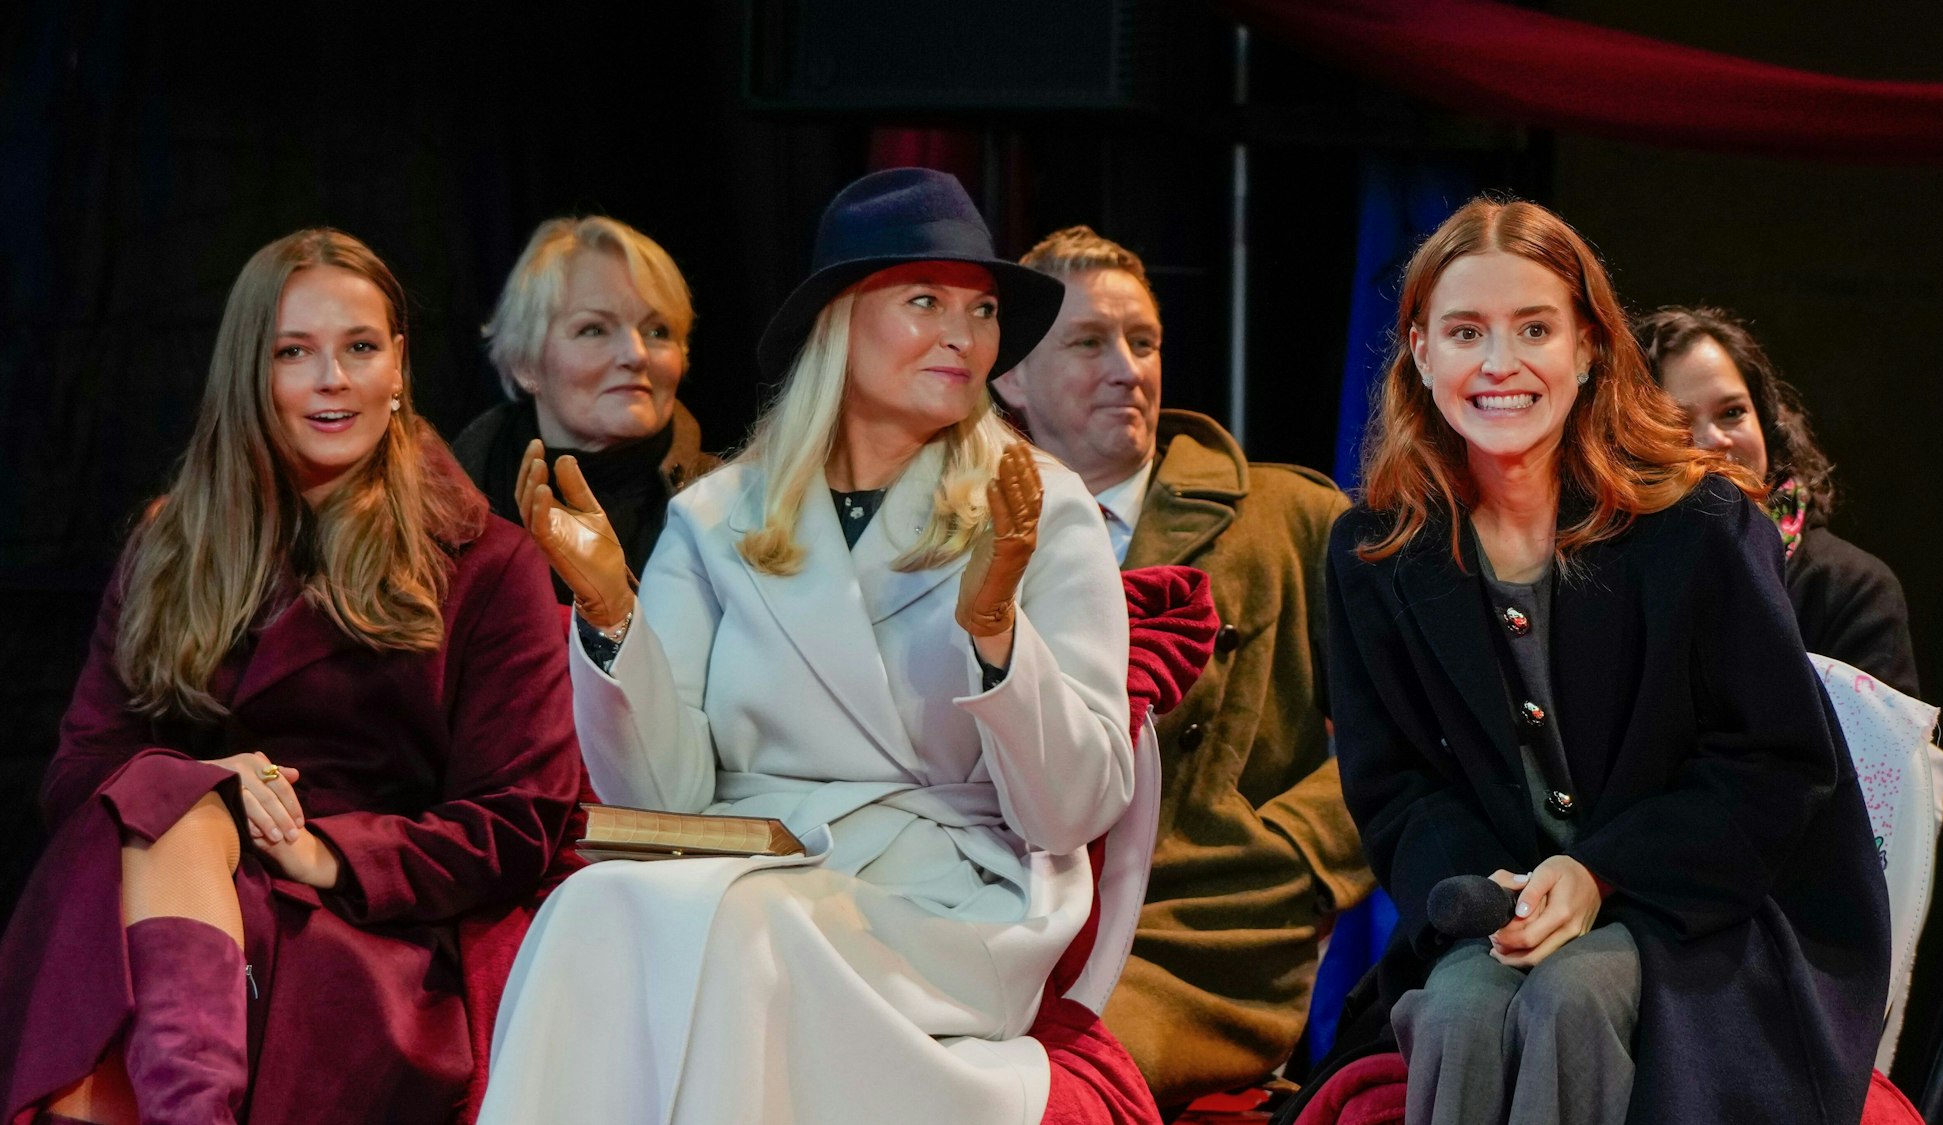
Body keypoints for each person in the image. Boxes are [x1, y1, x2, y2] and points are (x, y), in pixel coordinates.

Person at [477, 168, 1134, 1124]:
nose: (965, 334)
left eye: (982, 310)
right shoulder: (715, 518)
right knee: (591, 909)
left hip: (946, 899)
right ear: (839, 320)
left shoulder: (1040, 504)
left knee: (741, 931)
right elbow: (660, 802)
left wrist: (997, 630)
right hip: (749, 868)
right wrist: (614, 613)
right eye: (925, 302)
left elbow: (1071, 809)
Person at [1323, 199, 1888, 1125]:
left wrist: (1601, 873)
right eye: (1466, 331)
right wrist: (1493, 893)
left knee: (1571, 1000)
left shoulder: (1700, 525)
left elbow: (1776, 767)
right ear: (1420, 354)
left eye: (1534, 328)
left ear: (1587, 348)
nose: (1499, 363)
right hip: (1500, 907)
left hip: (1701, 913)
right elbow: (1394, 789)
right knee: (1460, 1009)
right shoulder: (1373, 552)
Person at [0, 230, 581, 1125]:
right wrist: (200, 786)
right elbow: (78, 773)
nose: (332, 379)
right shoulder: (170, 544)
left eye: (359, 347)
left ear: (399, 368)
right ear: (249, 373)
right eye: (293, 352)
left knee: (127, 942)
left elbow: (519, 816)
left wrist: (331, 852)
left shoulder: (486, 560)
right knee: (158, 821)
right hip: (165, 887)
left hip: (355, 927)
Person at [994, 225, 1374, 1111]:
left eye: (1144, 341)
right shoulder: (959, 528)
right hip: (1002, 915)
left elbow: (1404, 727)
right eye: (1088, 343)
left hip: (1201, 933)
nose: (1128, 367)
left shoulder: (1290, 515)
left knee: (1040, 1089)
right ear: (1010, 375)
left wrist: (1298, 854)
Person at [1638, 306, 1918, 696]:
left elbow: (1878, 755)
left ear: (1766, 420)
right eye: (1677, 424)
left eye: (1733, 412)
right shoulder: (1605, 580)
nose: (1716, 440)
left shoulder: (1852, 587)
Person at [453, 216, 718, 600]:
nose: (636, 354)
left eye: (657, 331)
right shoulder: (441, 508)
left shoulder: (733, 509)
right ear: (526, 364)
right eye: (594, 329)